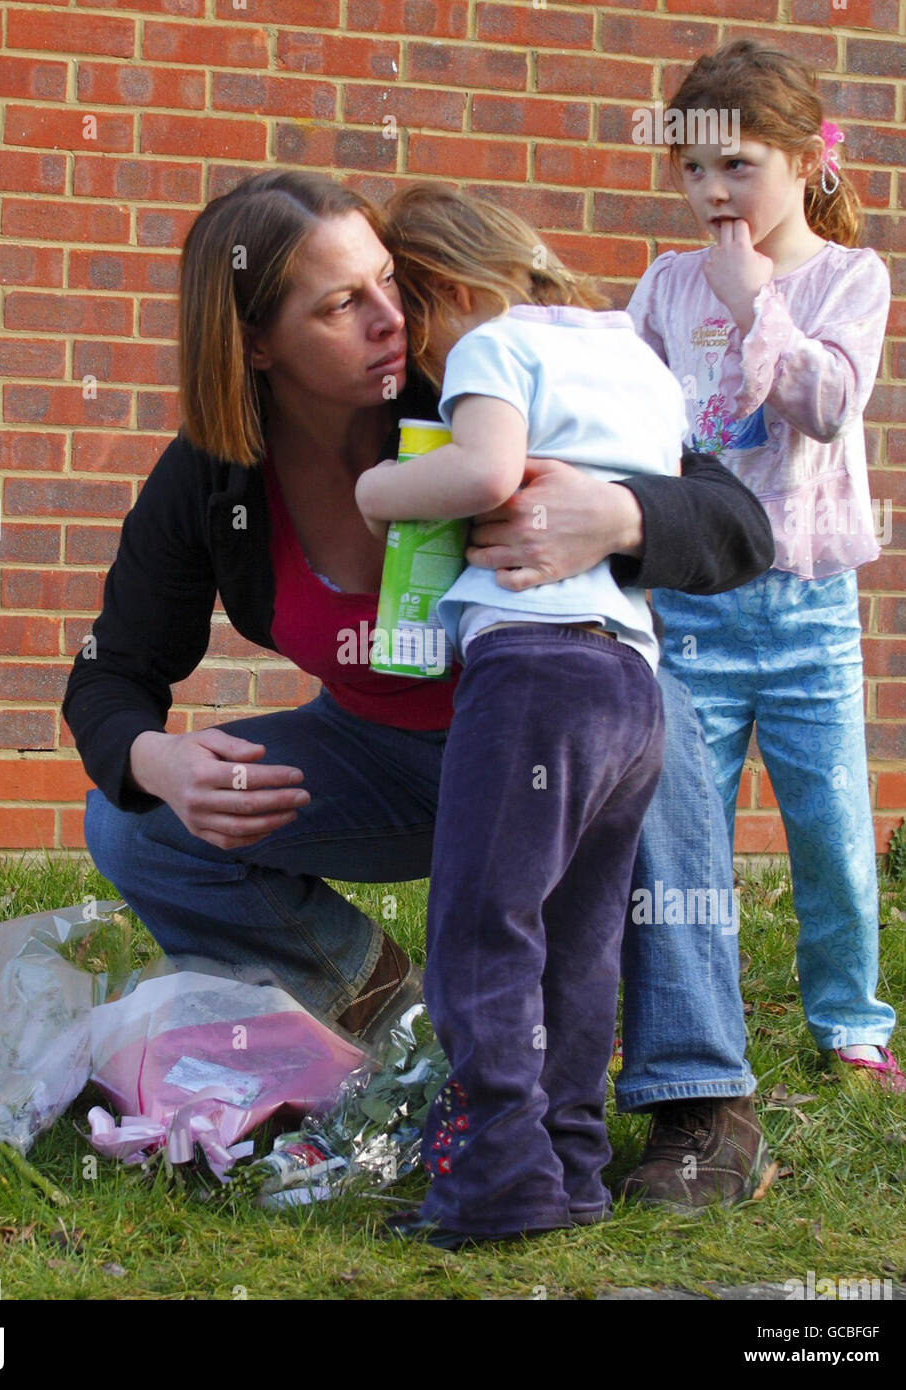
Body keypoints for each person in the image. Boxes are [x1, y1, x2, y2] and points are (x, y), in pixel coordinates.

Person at [62, 170, 775, 1222]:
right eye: (339, 303)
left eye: (386, 281)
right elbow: (112, 674)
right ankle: (395, 1016)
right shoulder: (214, 474)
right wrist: (153, 758)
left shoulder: (471, 385)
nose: (389, 317)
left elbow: (736, 527)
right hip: (386, 754)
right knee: (133, 826)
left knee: (649, 714)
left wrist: (616, 515)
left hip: (554, 743)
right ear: (255, 343)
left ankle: (698, 1101)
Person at [350, 184, 683, 1246]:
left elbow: (485, 467)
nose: (422, 370)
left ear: (446, 287)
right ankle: (569, 1163)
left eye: (416, 335)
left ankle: (495, 1173)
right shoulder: (635, 352)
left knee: (484, 923)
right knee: (578, 937)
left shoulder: (495, 342)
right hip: (630, 678)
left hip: (530, 670)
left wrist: (379, 492)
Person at [627, 39, 905, 1094]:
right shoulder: (661, 285)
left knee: (829, 832)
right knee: (674, 835)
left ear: (801, 162)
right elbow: (630, 415)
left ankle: (847, 1025)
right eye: (692, 168)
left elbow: (825, 405)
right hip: (692, 609)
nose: (710, 190)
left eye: (736, 165)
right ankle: (682, 1025)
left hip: (804, 610)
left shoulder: (846, 280)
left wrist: (755, 302)